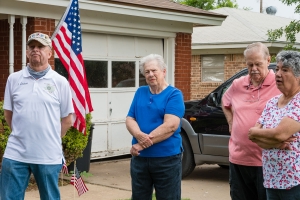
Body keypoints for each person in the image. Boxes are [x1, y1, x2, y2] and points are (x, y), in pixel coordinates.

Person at [0, 32, 74, 200]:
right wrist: (22, 134)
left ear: (49, 53)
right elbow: (8, 114)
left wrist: (50, 138)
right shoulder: (14, 79)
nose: (35, 50)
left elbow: (67, 120)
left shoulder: (60, 81)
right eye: (32, 47)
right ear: (27, 52)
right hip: (15, 154)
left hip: (48, 155)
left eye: (40, 47)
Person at [221, 42, 281, 200]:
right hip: (238, 159)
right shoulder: (237, 84)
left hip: (267, 161)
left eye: (258, 64)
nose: (254, 68)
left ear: (268, 60)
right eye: (250, 64)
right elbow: (225, 102)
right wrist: (231, 123)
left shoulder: (279, 84)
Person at [125, 54, 185, 200]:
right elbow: (130, 118)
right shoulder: (140, 92)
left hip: (166, 160)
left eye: (154, 70)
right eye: (147, 72)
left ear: (163, 71)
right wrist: (139, 135)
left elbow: (170, 126)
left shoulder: (174, 94)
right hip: (140, 160)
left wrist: (140, 145)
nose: (150, 74)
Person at [248, 50, 300, 200]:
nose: (277, 74)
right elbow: (253, 135)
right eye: (277, 69)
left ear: (298, 76)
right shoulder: (272, 102)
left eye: (285, 70)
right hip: (272, 180)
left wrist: (268, 136)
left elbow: (279, 133)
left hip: (295, 182)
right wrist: (276, 143)